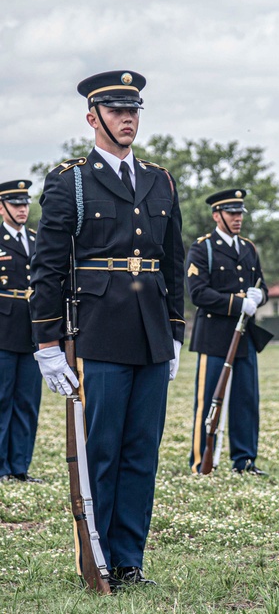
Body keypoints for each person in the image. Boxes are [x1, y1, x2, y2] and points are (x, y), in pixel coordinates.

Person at [30, 70, 185, 588]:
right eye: (117, 110)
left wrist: (176, 332)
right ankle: (94, 557)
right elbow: (48, 267)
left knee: (141, 450)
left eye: (134, 110)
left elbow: (171, 259)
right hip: (97, 330)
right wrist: (47, 342)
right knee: (101, 448)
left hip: (151, 331)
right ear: (92, 117)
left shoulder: (160, 179)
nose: (128, 119)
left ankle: (128, 559)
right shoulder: (69, 179)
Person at [187, 188, 271, 475]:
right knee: (209, 399)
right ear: (217, 215)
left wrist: (260, 297)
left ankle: (245, 460)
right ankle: (201, 460)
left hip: (244, 337)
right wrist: (238, 304)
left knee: (247, 400)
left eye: (240, 213)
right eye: (232, 213)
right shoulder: (203, 248)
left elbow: (261, 285)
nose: (238, 218)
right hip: (214, 336)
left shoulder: (248, 248)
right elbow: (198, 293)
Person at [0, 180, 43, 484]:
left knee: (27, 401)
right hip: (2, 329)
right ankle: (1, 468)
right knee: (2, 398)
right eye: (15, 204)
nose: (22, 209)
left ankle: (20, 467)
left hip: (32, 330)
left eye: (25, 204)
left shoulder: (36, 239)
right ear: (1, 208)